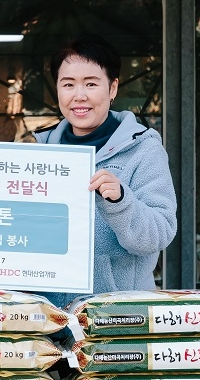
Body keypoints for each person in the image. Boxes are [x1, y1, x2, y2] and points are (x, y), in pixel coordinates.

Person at [34, 34, 177, 306]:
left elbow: (160, 233)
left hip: (117, 317)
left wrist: (122, 201)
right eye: (68, 84)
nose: (79, 95)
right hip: (47, 317)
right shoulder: (40, 151)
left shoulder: (143, 149)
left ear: (112, 88)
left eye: (91, 83)